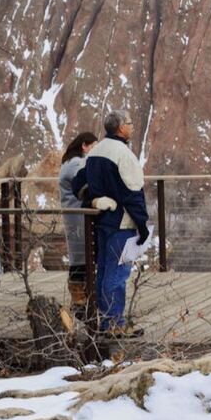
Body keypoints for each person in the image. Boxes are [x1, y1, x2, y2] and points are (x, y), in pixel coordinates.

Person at [81, 109, 150, 336]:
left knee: (103, 271)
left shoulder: (95, 152)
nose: (132, 127)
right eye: (129, 123)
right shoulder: (123, 153)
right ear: (121, 128)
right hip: (122, 222)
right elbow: (133, 193)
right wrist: (141, 225)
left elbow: (79, 184)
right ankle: (114, 325)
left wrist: (95, 200)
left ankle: (103, 322)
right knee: (117, 274)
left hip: (102, 220)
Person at [58, 131, 98, 317]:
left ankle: (81, 299)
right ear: (84, 145)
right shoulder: (75, 164)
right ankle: (79, 300)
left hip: (74, 215)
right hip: (78, 215)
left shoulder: (69, 162)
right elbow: (87, 183)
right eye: (93, 146)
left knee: (79, 256)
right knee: (81, 257)